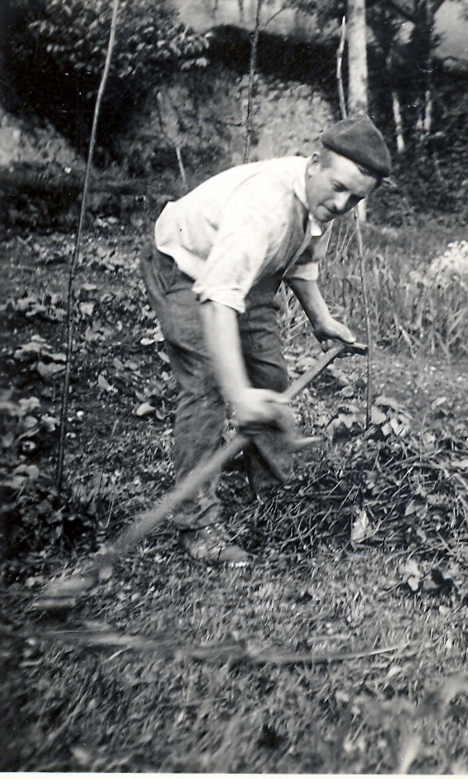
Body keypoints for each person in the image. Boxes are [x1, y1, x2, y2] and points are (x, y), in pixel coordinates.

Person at [140, 116, 391, 565]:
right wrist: (239, 395)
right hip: (183, 263)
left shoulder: (321, 200)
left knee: (271, 377)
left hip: (250, 275)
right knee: (209, 387)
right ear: (314, 163)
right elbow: (218, 298)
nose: (342, 203)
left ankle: (271, 489)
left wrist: (322, 319)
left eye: (355, 197)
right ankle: (198, 525)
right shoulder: (264, 208)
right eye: (338, 188)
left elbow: (299, 261)